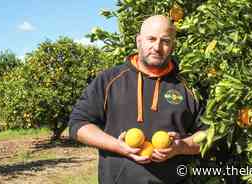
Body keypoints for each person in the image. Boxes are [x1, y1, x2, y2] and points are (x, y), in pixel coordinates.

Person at [69, 15, 204, 184]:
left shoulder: (187, 87)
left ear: (173, 46)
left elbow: (208, 135)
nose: (157, 47)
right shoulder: (109, 80)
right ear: (138, 41)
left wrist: (180, 147)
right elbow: (78, 124)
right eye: (151, 39)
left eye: (165, 41)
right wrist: (118, 146)